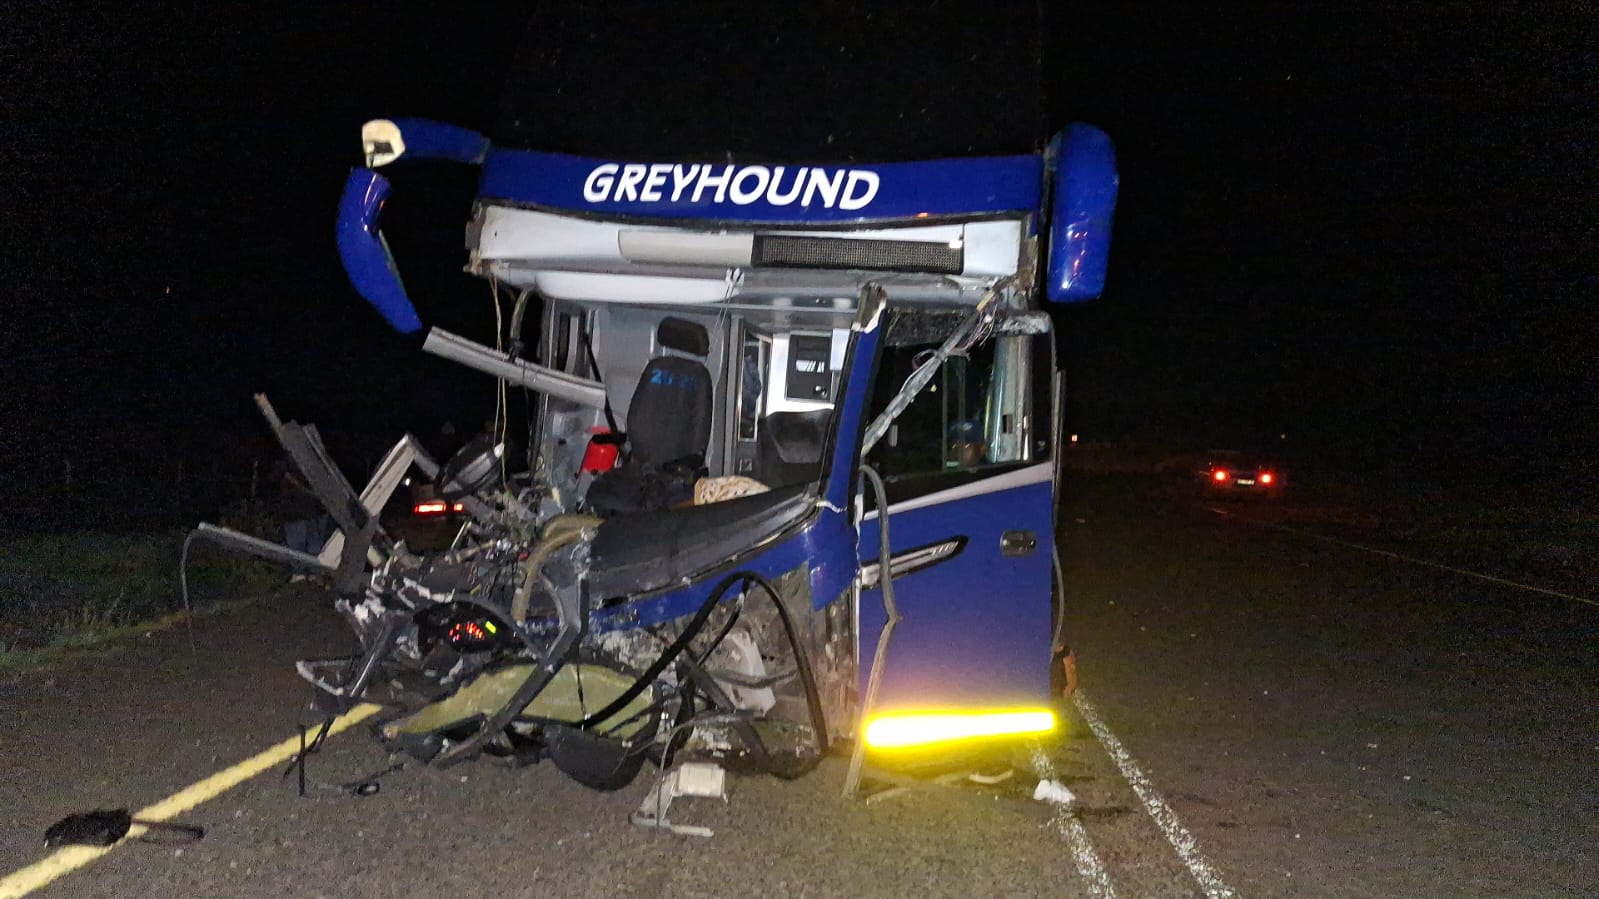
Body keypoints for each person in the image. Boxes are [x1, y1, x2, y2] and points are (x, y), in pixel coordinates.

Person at [271, 460, 328, 582]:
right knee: (298, 544)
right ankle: (300, 573)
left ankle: (313, 572)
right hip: (296, 511)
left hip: (313, 510)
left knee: (314, 544)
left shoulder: (317, 459)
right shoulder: (289, 461)